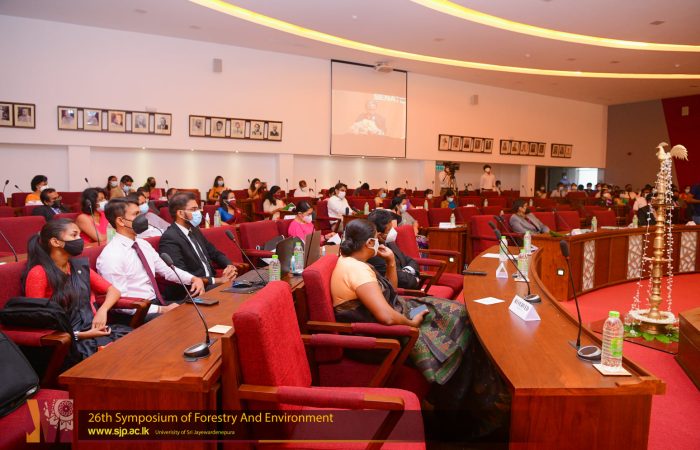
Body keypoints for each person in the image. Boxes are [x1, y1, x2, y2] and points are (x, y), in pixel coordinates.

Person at [331, 220, 510, 434]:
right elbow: (385, 316)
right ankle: (463, 412)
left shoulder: (356, 262)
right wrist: (412, 323)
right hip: (384, 334)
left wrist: (390, 262)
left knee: (461, 314)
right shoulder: (356, 270)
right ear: (369, 243)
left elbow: (390, 293)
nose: (380, 242)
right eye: (377, 238)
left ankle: (480, 398)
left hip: (398, 312)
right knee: (457, 337)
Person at [22, 219, 130, 361]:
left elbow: (113, 291)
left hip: (92, 330)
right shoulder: (39, 273)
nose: (80, 240)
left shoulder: (77, 266)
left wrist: (102, 311)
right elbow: (37, 320)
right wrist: (82, 335)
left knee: (134, 342)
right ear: (55, 242)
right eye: (74, 235)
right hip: (67, 341)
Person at [97, 198, 204, 318]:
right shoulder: (112, 255)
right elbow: (122, 303)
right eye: (136, 214)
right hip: (136, 312)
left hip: (156, 302)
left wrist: (193, 279)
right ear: (121, 221)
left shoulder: (143, 244)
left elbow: (167, 270)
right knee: (183, 319)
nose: (142, 218)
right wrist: (161, 309)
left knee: (196, 311)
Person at [159, 193, 238, 300]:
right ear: (180, 213)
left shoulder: (195, 230)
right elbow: (181, 274)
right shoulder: (170, 238)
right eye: (193, 209)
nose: (198, 213)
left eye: (198, 208)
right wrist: (218, 280)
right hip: (192, 290)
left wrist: (229, 265)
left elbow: (214, 253)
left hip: (210, 284)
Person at [366, 209, 421, 290]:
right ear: (379, 235)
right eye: (389, 230)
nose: (393, 231)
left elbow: (410, 260)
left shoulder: (390, 242)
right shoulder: (375, 253)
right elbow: (401, 280)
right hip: (400, 292)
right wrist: (415, 279)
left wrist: (407, 270)